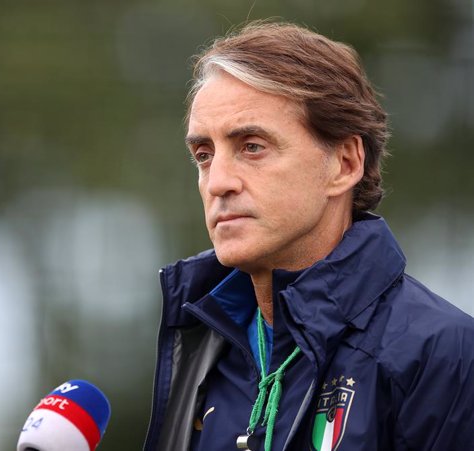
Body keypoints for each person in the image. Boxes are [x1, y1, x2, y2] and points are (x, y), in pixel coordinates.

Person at [142, 21, 474, 451]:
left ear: (344, 163)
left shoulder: (443, 353)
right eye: (204, 155)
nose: (218, 182)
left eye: (252, 147)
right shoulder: (203, 345)